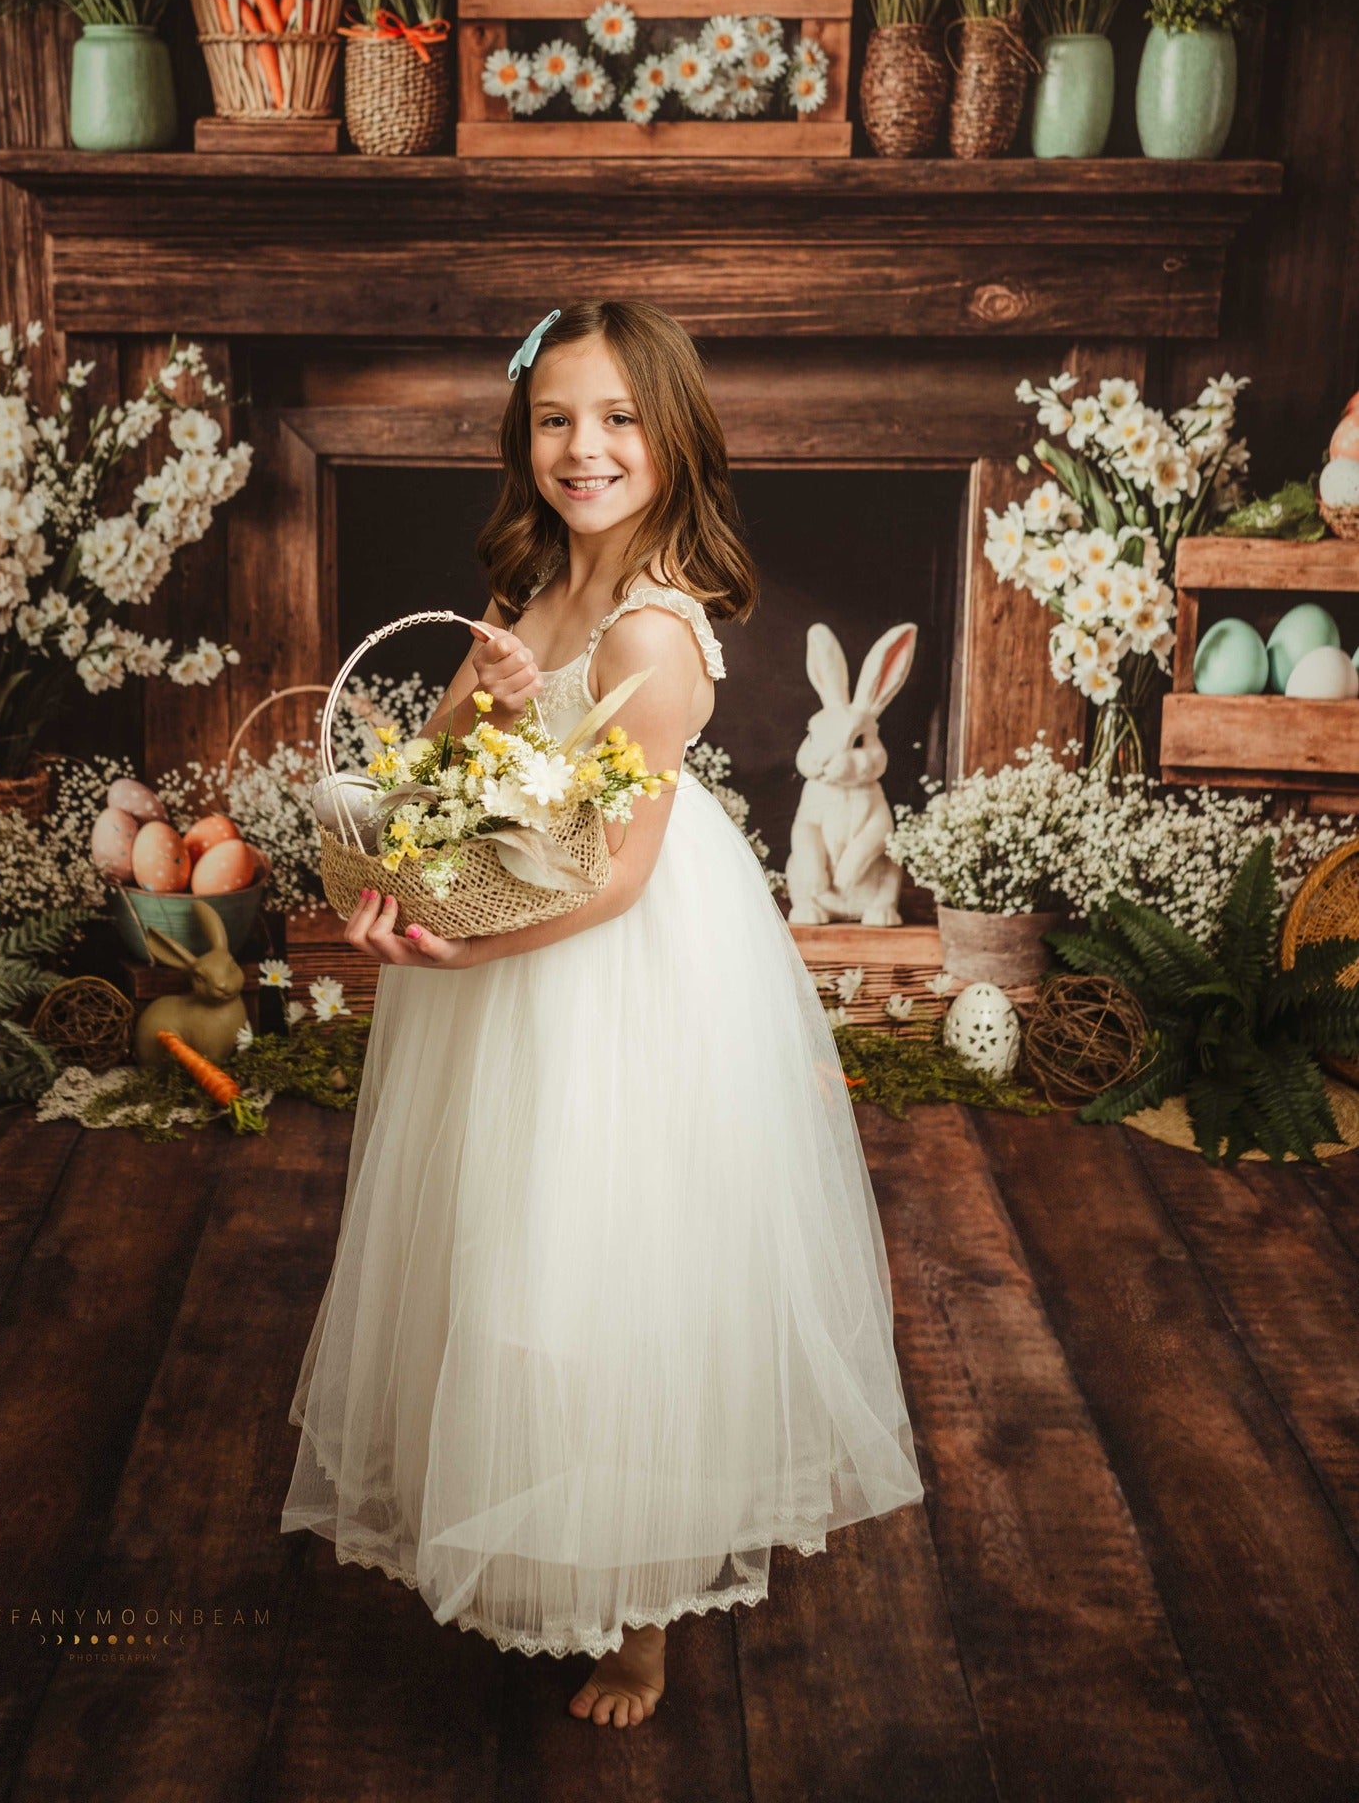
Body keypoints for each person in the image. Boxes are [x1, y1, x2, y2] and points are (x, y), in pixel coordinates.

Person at [280, 300, 924, 1728]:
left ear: (672, 437)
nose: (587, 447)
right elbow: (434, 767)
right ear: (523, 435)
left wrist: (470, 946)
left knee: (602, 1258)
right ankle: (519, 1496)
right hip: (509, 916)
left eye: (621, 418)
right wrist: (455, 767)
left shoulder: (656, 629)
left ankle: (638, 1616)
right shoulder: (524, 593)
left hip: (606, 967)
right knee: (493, 1241)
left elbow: (619, 878)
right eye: (556, 417)